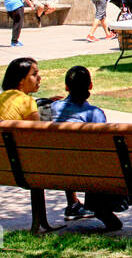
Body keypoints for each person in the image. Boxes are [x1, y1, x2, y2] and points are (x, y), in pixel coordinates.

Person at [0, 57, 84, 220]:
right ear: (21, 81)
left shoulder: (1, 99)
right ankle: (74, 204)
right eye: (34, 74)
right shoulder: (27, 102)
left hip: (4, 163)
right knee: (65, 152)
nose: (39, 78)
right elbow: (39, 137)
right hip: (31, 166)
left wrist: (44, 102)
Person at [51, 65, 126, 231]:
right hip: (90, 171)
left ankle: (87, 206)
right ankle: (102, 209)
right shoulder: (95, 114)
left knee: (76, 158)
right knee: (101, 161)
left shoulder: (55, 108)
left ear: (66, 87)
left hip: (59, 168)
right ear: (90, 86)